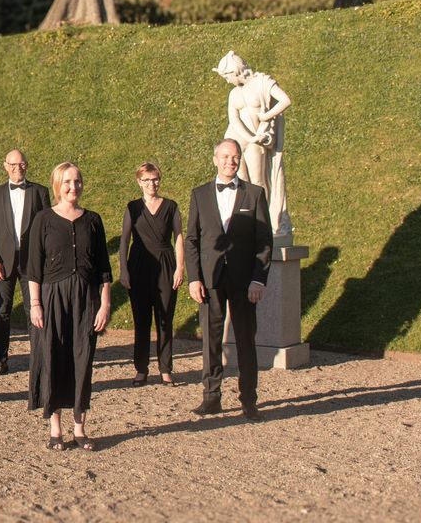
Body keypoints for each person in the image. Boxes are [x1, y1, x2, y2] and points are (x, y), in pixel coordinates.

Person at [27, 162, 112, 451]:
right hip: (52, 298)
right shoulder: (43, 219)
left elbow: (103, 268)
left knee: (82, 359)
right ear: (56, 185)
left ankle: (80, 428)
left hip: (86, 298)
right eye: (66, 182)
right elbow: (33, 268)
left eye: (76, 181)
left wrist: (104, 304)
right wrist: (35, 304)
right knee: (53, 357)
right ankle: (55, 429)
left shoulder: (93, 220)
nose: (72, 187)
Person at [186, 138, 273, 422]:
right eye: (225, 157)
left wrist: (259, 280)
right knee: (210, 341)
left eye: (234, 157)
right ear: (215, 159)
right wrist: (194, 278)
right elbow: (192, 240)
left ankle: (249, 400)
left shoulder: (255, 194)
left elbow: (264, 242)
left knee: (246, 340)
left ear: (239, 160)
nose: (230, 162)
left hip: (244, 280)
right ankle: (211, 397)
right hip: (210, 279)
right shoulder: (199, 194)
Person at [119, 162, 185, 387]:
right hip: (138, 264)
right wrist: (123, 269)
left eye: (155, 179)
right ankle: (141, 369)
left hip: (166, 263)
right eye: (146, 180)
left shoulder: (171, 206)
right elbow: (124, 240)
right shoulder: (132, 207)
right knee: (141, 320)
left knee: (165, 318)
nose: (151, 184)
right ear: (139, 182)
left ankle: (166, 369)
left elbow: (178, 237)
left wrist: (180, 267)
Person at [0, 149, 50, 376]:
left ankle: (39, 359)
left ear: (27, 165)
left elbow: (47, 229)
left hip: (31, 261)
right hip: (4, 262)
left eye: (21, 164)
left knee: (34, 308)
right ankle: (0, 360)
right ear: (5, 166)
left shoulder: (40, 192)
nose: (17, 168)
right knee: (3, 310)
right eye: (13, 164)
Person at [213, 51, 293, 236]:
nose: (227, 81)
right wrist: (249, 137)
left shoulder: (262, 83)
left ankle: (264, 223)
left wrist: (266, 116)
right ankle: (247, 223)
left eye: (227, 76)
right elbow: (234, 119)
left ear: (236, 71)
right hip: (240, 140)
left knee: (258, 184)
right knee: (240, 184)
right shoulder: (234, 93)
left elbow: (285, 100)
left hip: (257, 142)